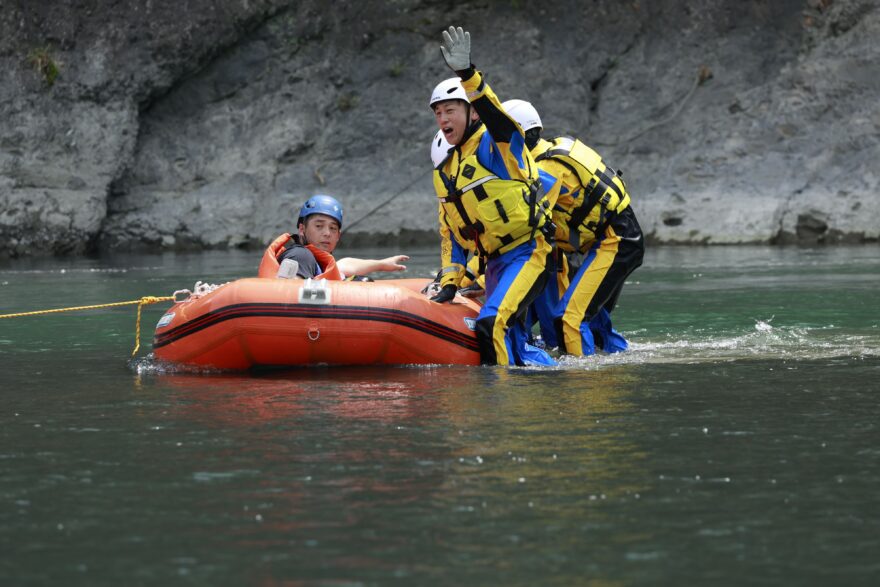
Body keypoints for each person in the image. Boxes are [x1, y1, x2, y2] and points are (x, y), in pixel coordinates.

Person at [429, 26, 555, 367]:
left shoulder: (495, 144)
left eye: (449, 110)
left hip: (528, 251)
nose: (442, 119)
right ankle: (555, 383)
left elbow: (498, 118)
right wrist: (451, 282)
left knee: (492, 324)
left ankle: (497, 410)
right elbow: (452, 237)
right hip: (495, 262)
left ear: (471, 112)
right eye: (437, 113)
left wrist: (468, 75)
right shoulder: (448, 170)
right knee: (514, 342)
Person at [502, 99, 644, 356]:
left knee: (571, 318)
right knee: (588, 315)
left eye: (500, 138)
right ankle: (616, 355)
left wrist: (476, 276)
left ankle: (579, 382)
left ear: (517, 137)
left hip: (616, 241)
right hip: (604, 242)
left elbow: (523, 229)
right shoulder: (551, 151)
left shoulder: (544, 170)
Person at [258, 194, 409, 280]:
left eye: (333, 228)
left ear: (338, 236)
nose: (327, 233)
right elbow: (287, 297)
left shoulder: (321, 264)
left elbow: (346, 265)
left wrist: (382, 264)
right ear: (302, 229)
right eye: (319, 226)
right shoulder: (299, 256)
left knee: (360, 281)